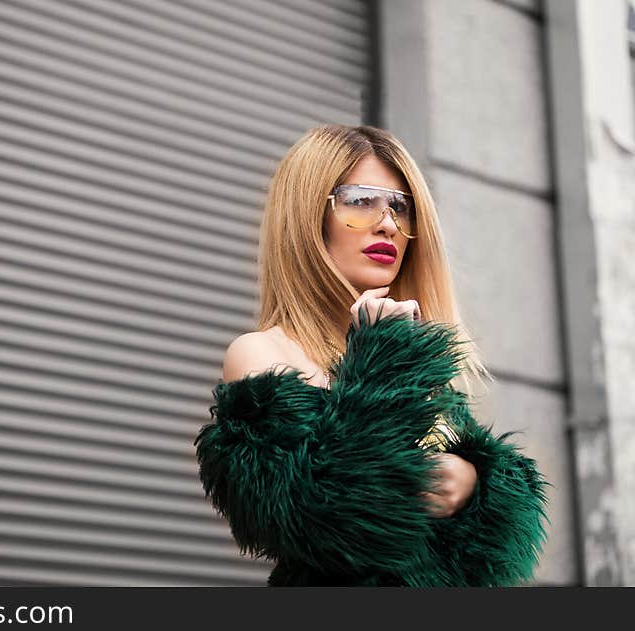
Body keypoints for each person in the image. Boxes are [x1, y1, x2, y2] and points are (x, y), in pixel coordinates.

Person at [193, 124, 549, 586]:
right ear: (306, 216)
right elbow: (328, 514)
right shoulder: (262, 353)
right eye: (360, 201)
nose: (387, 223)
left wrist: (473, 483)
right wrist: (382, 358)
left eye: (401, 207)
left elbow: (491, 559)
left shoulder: (418, 362)